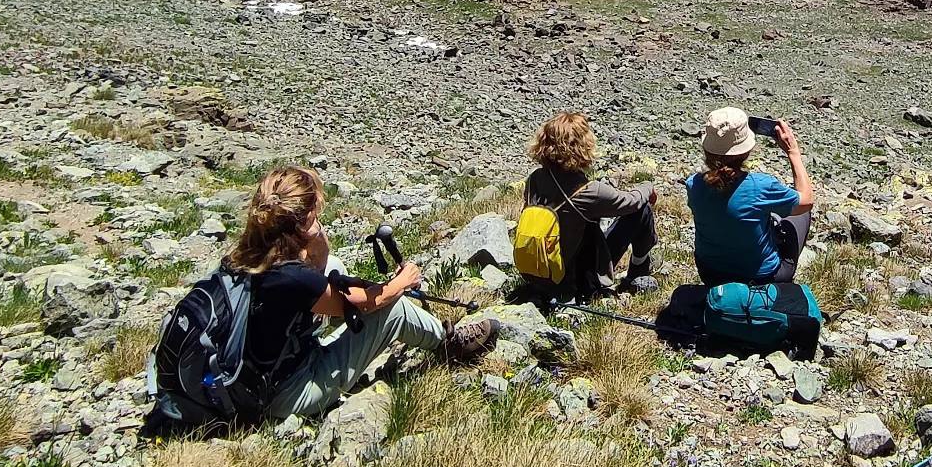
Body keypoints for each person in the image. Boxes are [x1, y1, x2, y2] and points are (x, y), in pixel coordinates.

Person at [228, 166, 499, 421]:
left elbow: (333, 292)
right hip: (287, 394)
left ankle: (341, 344)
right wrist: (402, 282)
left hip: (253, 380)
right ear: (303, 224)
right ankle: (451, 344)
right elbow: (368, 303)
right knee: (394, 310)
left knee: (333, 267)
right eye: (316, 215)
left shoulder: (248, 255)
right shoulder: (292, 277)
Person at [522, 111, 658, 298]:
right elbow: (631, 202)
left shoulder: (535, 179)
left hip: (537, 272)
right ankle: (638, 269)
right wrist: (647, 186)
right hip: (576, 281)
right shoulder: (587, 191)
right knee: (642, 209)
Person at [686, 107, 814, 286]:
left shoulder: (693, 184)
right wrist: (793, 153)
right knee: (801, 213)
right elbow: (807, 201)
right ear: (745, 151)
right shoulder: (761, 186)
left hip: (711, 274)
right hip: (764, 277)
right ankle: (779, 288)